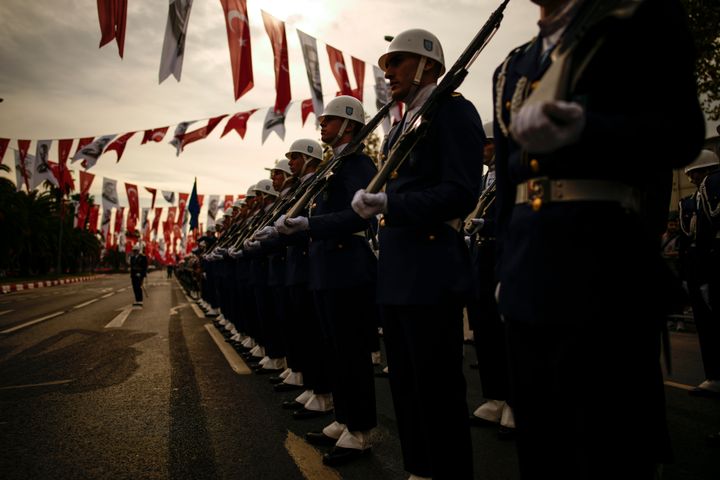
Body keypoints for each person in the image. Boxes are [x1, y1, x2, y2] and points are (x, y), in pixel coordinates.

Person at [491, 1, 705, 478]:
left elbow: (682, 132)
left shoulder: (636, 21)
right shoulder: (512, 65)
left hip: (604, 265)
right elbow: (509, 191)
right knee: (542, 444)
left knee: (606, 443)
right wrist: (505, 267)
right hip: (528, 269)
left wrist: (588, 127)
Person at [352, 29, 484, 479]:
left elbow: (461, 192)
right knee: (406, 388)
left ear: (429, 65)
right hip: (399, 268)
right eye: (387, 64)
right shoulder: (402, 126)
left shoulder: (453, 111)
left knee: (438, 389)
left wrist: (393, 205)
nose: (388, 72)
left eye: (399, 62)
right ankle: (421, 470)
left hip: (431, 267)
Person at [275, 95, 379, 467]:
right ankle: (345, 417)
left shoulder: (357, 164)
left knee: (350, 352)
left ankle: (363, 428)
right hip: (325, 268)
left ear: (349, 124)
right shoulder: (336, 165)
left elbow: (355, 216)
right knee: (334, 348)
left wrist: (309, 225)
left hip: (346, 266)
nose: (323, 124)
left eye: (330, 120)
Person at [464, 121, 515, 440]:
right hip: (480, 258)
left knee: (505, 332)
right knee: (483, 328)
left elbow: (513, 216)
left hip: (502, 255)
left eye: (486, 143)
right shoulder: (484, 179)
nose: (481, 148)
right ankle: (494, 395)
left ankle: (514, 399)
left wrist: (489, 223)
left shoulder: (512, 176)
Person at [679, 150, 720, 397]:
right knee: (706, 326)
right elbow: (688, 242)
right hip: (700, 269)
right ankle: (713, 374)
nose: (694, 179)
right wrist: (688, 276)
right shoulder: (689, 202)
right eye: (692, 174)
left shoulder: (711, 188)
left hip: (711, 266)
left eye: (697, 173)